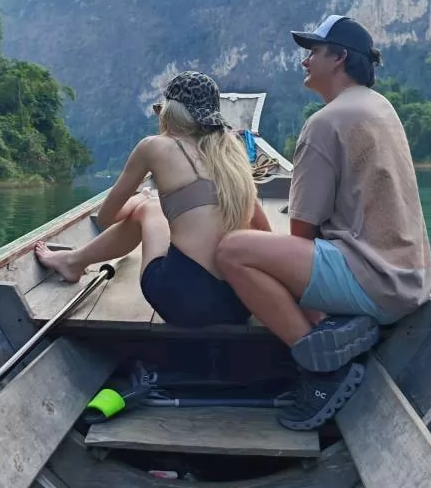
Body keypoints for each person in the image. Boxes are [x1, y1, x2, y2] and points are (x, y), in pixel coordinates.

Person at [216, 15, 431, 430]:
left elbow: (301, 233)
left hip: (376, 279)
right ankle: (334, 332)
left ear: (339, 58)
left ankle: (321, 368)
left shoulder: (325, 123)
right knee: (271, 253)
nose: (305, 61)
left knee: (233, 251)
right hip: (410, 277)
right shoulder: (378, 106)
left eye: (313, 52)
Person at [35, 70, 272, 328]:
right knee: (154, 207)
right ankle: (73, 261)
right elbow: (262, 229)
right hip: (240, 302)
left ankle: (73, 261)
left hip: (183, 302)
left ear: (169, 111)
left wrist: (140, 202)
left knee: (149, 208)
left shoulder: (154, 146)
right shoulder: (231, 151)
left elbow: (106, 218)